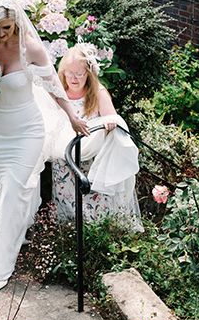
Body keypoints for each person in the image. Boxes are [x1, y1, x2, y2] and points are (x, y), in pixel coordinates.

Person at [0, 0, 89, 291]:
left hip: (28, 131)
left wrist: (72, 116)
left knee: (11, 193)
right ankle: (20, 232)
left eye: (9, 27)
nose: (5, 34)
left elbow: (52, 86)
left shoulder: (30, 49)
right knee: (11, 193)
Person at [52, 44, 143, 230]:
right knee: (68, 201)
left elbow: (112, 117)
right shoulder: (58, 93)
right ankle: (69, 233)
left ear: (89, 74)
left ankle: (98, 234)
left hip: (91, 156)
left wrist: (109, 124)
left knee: (93, 202)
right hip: (65, 157)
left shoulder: (97, 92)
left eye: (80, 73)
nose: (74, 78)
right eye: (69, 73)